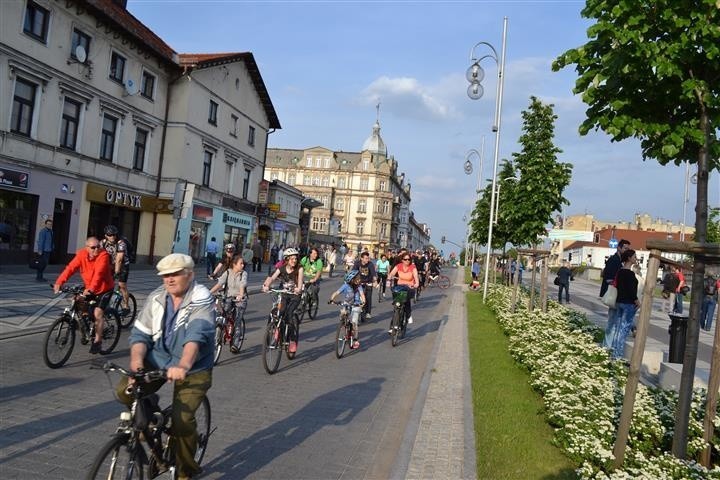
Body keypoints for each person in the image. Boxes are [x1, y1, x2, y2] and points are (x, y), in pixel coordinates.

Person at [115, 253, 214, 480]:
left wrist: (183, 364)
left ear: (189, 275)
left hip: (194, 367)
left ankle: (186, 470)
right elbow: (140, 334)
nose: (169, 280)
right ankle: (151, 418)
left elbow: (196, 335)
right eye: (165, 276)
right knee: (124, 390)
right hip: (158, 359)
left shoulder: (201, 296)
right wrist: (137, 365)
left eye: (175, 274)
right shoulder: (157, 297)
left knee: (182, 421)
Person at [53, 236, 114, 354]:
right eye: (93, 247)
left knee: (97, 313)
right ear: (87, 248)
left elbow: (99, 274)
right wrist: (59, 282)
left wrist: (90, 289)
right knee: (78, 302)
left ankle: (98, 341)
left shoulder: (103, 255)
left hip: (104, 288)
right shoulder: (81, 255)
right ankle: (86, 330)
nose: (96, 249)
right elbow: (70, 268)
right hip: (89, 287)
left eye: (98, 247)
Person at [262, 248, 304, 354]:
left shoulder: (299, 269)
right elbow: (272, 277)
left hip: (295, 295)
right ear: (286, 259)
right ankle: (278, 330)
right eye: (292, 258)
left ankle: (292, 340)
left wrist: (298, 289)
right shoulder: (282, 268)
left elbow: (300, 282)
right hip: (285, 294)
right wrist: (267, 285)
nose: (294, 260)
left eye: (295, 258)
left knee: (289, 314)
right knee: (280, 312)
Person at [604, 249, 640, 359]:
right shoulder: (629, 274)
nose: (636, 258)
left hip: (619, 302)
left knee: (618, 328)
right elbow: (631, 290)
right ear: (629, 258)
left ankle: (614, 352)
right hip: (628, 303)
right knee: (623, 330)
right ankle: (618, 355)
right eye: (634, 256)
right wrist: (636, 300)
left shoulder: (620, 272)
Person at [209, 254, 247, 353]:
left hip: (240, 299)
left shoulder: (244, 274)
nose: (243, 265)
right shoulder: (227, 272)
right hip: (228, 297)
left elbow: (242, 284)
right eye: (241, 263)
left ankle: (235, 343)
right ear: (234, 264)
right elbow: (219, 283)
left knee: (237, 321)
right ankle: (222, 331)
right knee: (224, 314)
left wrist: (241, 295)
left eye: (243, 263)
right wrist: (208, 293)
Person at [329, 270, 366, 349]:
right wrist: (331, 299)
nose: (359, 280)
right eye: (357, 279)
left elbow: (362, 295)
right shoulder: (345, 286)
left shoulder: (359, 287)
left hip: (356, 305)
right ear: (352, 280)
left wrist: (363, 302)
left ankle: (355, 339)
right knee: (343, 313)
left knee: (354, 322)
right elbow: (336, 292)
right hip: (347, 304)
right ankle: (343, 325)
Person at [101, 225, 131, 314]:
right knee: (107, 285)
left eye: (114, 234)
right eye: (110, 235)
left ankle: (126, 306)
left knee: (121, 285)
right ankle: (107, 304)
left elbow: (119, 259)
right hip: (111, 265)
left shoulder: (121, 243)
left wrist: (117, 272)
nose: (112, 237)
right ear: (106, 235)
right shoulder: (102, 243)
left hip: (123, 265)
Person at [601, 239, 630, 326]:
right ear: (618, 248)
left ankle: (631, 326)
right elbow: (608, 277)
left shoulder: (622, 261)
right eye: (625, 248)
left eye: (628, 249)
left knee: (617, 316)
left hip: (618, 293)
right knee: (613, 318)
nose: (626, 250)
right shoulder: (613, 260)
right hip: (613, 292)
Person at [387, 252, 420, 331]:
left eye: (409, 259)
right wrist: (388, 280)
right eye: (405, 259)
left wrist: (417, 283)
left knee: (406, 299)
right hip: (400, 286)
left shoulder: (413, 267)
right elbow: (391, 274)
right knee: (396, 305)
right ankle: (393, 325)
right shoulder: (398, 266)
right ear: (402, 260)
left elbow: (415, 276)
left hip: (409, 287)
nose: (407, 261)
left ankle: (408, 315)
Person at [353, 251, 377, 319]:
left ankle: (368, 312)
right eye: (366, 258)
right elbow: (353, 272)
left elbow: (373, 274)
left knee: (368, 297)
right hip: (359, 282)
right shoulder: (357, 263)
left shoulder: (370, 264)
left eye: (368, 258)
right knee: (356, 296)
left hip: (368, 282)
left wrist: (375, 281)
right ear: (361, 258)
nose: (367, 260)